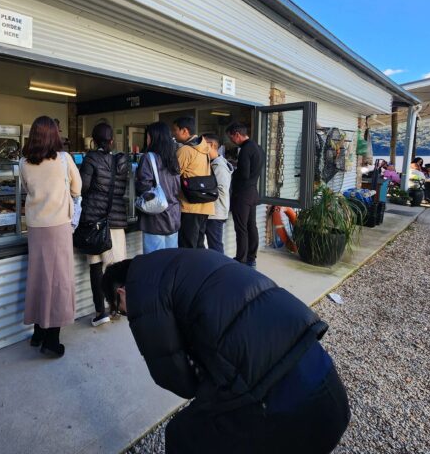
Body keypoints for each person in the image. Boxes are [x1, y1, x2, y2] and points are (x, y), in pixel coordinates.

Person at [102, 250, 351, 454]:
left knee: (182, 435)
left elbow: (173, 374)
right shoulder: (175, 259)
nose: (125, 314)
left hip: (275, 390)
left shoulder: (141, 290)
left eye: (120, 310)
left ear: (121, 292)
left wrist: (205, 381)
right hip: (322, 377)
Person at [19, 116, 81, 358]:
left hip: (35, 226)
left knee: (38, 277)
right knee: (58, 281)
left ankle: (37, 333)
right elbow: (77, 189)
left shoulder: (24, 162)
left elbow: (26, 188)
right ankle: (51, 341)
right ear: (54, 134)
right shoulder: (64, 160)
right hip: (58, 226)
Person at [79, 123, 129, 327]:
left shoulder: (91, 158)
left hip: (96, 219)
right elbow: (122, 189)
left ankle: (101, 313)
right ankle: (117, 307)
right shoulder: (122, 161)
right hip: (116, 219)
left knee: (96, 266)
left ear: (94, 139)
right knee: (116, 267)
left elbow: (83, 186)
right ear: (112, 141)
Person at [136, 122, 181, 254]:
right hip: (173, 215)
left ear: (153, 137)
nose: (147, 139)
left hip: (155, 218)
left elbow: (144, 187)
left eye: (148, 136)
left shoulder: (148, 157)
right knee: (170, 260)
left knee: (154, 261)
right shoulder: (173, 158)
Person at [171, 116, 215, 248]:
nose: (173, 133)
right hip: (205, 204)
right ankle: (200, 268)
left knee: (187, 246)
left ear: (184, 131)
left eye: (175, 130)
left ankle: (189, 269)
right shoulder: (205, 148)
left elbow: (173, 175)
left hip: (189, 206)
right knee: (199, 244)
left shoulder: (185, 150)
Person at [226, 122, 263, 268]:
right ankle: (251, 258)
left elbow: (244, 174)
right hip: (253, 191)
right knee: (251, 226)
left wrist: (233, 170)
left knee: (241, 228)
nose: (231, 141)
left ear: (237, 134)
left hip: (242, 194)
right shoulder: (257, 147)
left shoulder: (245, 149)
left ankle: (241, 260)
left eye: (231, 138)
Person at [202, 132, 233, 254]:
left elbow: (221, 189)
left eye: (202, 143)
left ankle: (221, 270)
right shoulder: (214, 162)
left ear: (210, 145)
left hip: (216, 213)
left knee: (215, 245)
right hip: (213, 211)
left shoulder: (219, 165)